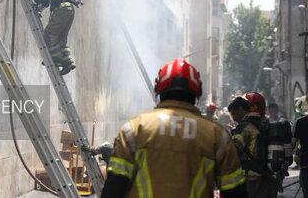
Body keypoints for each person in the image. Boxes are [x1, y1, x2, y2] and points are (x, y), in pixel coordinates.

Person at [102, 58, 247, 198]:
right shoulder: (216, 136)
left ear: (159, 89)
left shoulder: (134, 129)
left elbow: (114, 187)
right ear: (197, 93)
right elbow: (235, 191)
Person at [26, 0, 76, 75]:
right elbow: (47, 0)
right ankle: (68, 62)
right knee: (61, 39)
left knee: (49, 35)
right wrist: (39, 7)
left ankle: (57, 59)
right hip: (69, 9)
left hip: (61, 9)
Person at [229, 92, 279, 198]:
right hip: (269, 178)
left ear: (241, 109)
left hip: (251, 179)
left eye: (234, 113)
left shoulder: (244, 127)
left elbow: (233, 152)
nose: (233, 117)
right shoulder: (266, 124)